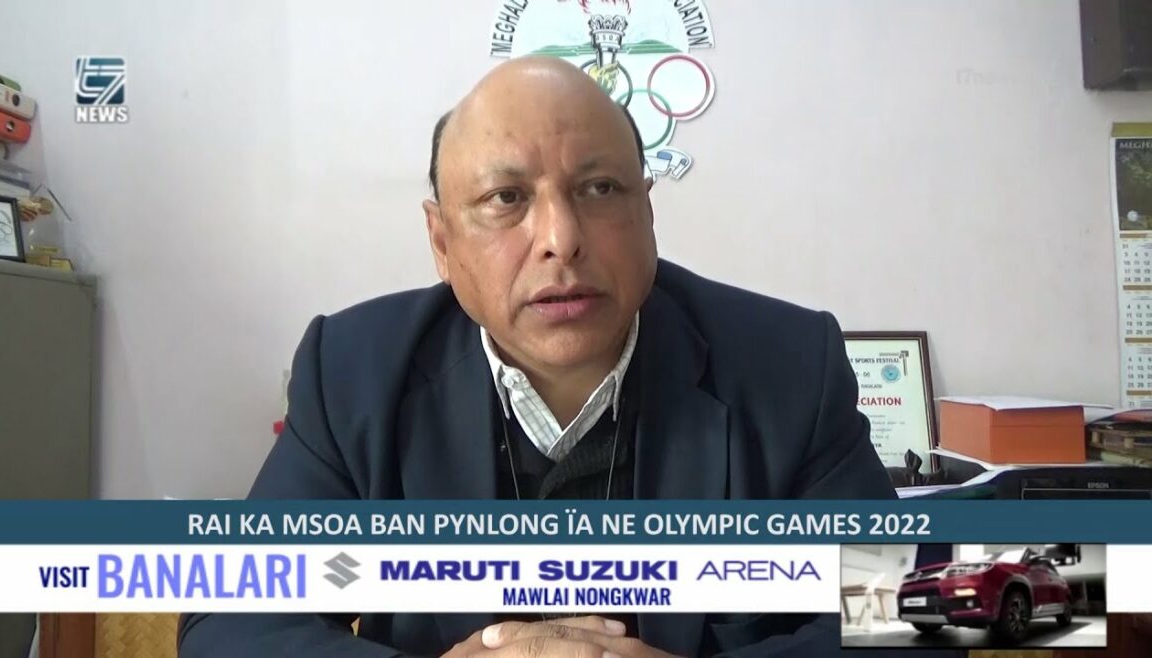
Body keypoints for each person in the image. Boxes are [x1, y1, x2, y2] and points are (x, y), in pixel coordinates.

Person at [179, 56, 958, 657]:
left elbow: (913, 614)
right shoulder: (353, 371)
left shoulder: (788, 367)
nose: (561, 238)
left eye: (600, 189)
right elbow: (229, 625)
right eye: (506, 199)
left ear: (647, 213)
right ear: (442, 243)